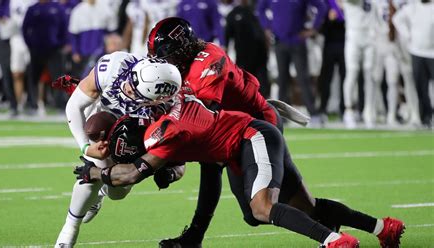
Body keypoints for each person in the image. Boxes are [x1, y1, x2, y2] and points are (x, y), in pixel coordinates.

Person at [73, 71, 405, 248]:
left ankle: (334, 242)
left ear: (157, 95)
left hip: (251, 138)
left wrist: (95, 173)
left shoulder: (168, 127)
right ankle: (382, 228)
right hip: (243, 144)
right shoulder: (179, 95)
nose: (131, 95)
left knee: (262, 208)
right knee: (298, 208)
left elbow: (132, 175)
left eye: (137, 90)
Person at [146, 17, 283, 247]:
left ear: (183, 48)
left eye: (167, 54)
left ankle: (326, 229)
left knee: (266, 206)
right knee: (253, 216)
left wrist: (168, 162)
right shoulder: (182, 67)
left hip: (259, 127)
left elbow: (198, 125)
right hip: (235, 127)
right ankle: (194, 237)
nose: (163, 61)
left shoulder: (208, 62)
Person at [54, 55, 185, 247]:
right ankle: (69, 229)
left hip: (138, 135)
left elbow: (181, 159)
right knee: (94, 170)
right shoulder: (115, 65)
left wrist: (171, 173)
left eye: (134, 92)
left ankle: (99, 195)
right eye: (132, 81)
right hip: (102, 118)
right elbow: (74, 105)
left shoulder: (170, 111)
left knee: (117, 192)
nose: (127, 88)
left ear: (157, 100)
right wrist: (86, 147)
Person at [256, 0, 327, 123]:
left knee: (303, 78)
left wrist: (314, 28)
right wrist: (267, 27)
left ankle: (313, 113)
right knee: (282, 79)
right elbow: (260, 9)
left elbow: (321, 6)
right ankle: (282, 116)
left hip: (297, 41)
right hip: (279, 42)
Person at [393, 0, 434, 128]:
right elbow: (396, 19)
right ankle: (426, 117)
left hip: (432, 53)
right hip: (416, 51)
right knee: (420, 87)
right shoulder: (413, 7)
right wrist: (408, 35)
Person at [22, 0, 68, 114]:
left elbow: (64, 26)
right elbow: (25, 28)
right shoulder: (33, 8)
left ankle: (61, 105)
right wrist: (30, 44)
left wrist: (60, 43)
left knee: (58, 78)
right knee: (33, 77)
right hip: (36, 49)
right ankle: (32, 105)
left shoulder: (57, 7)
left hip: (54, 50)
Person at [339, 0, 376, 129]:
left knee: (370, 75)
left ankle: (369, 111)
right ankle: (349, 110)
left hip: (370, 35)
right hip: (353, 35)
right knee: (352, 73)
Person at [225, 0, 271, 98]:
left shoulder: (258, 10)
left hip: (260, 55)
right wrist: (225, 48)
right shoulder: (233, 14)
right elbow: (227, 35)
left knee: (263, 82)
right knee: (245, 83)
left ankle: (266, 105)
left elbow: (266, 30)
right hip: (242, 56)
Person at [68, 0, 117, 78]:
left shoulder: (105, 9)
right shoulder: (77, 10)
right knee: (84, 77)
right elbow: (74, 34)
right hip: (84, 52)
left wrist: (111, 46)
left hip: (102, 53)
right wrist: (75, 52)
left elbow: (111, 32)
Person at [317, 0, 346, 120]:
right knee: (325, 79)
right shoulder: (327, 4)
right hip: (329, 46)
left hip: (345, 46)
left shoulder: (350, 4)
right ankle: (323, 109)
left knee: (345, 79)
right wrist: (329, 20)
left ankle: (344, 109)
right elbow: (321, 29)